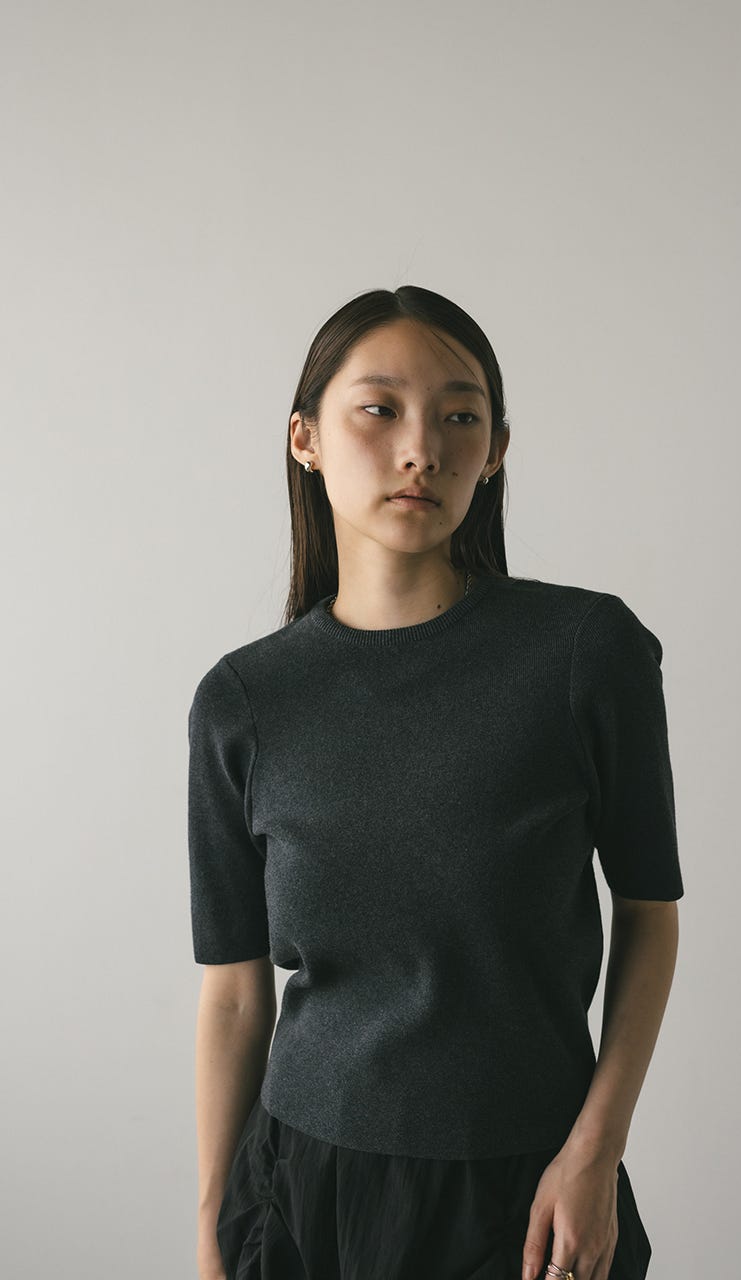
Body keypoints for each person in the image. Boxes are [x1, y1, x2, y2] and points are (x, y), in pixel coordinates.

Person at [187, 285, 684, 1280]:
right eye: (380, 409)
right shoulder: (244, 700)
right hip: (300, 1196)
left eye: (460, 417)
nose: (422, 448)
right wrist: (212, 1231)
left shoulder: (585, 653)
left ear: (495, 450)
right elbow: (236, 995)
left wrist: (594, 1154)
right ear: (305, 438)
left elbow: (649, 913)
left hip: (529, 1196)